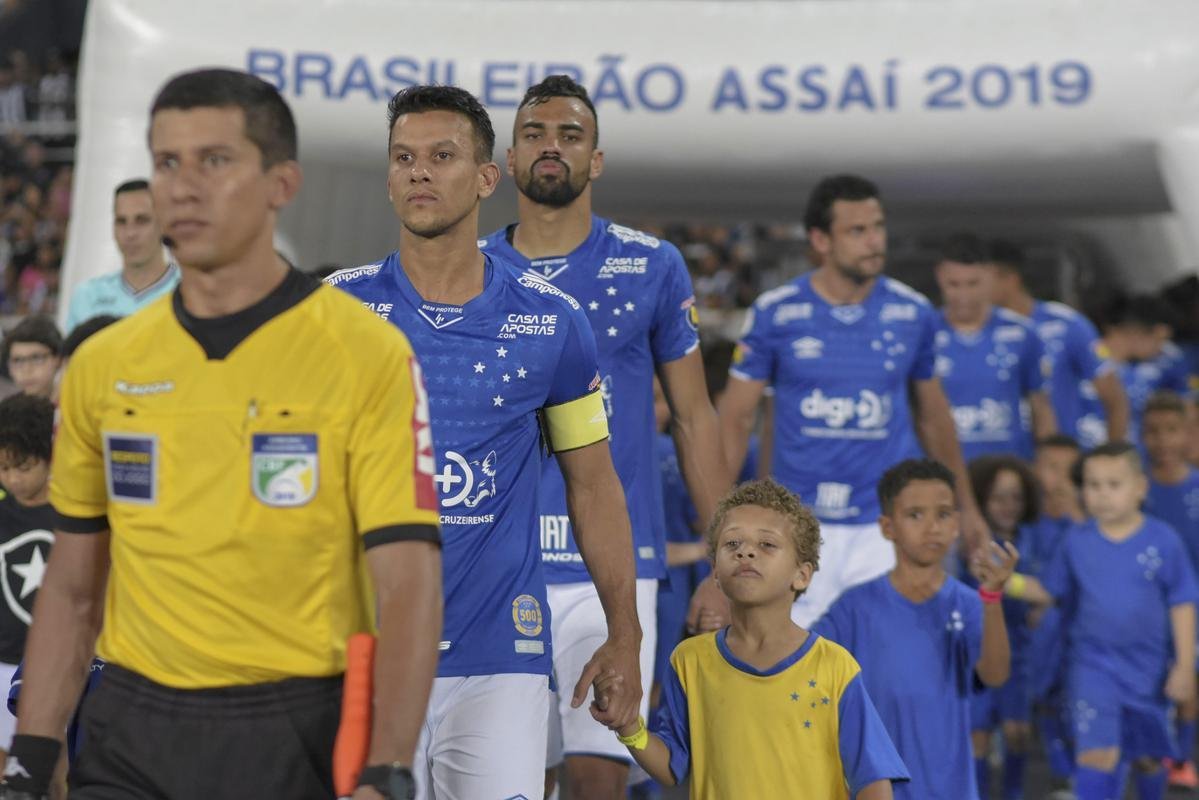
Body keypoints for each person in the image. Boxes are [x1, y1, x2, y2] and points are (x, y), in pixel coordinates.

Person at [2, 68, 443, 800]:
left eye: (214, 161)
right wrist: (30, 757)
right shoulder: (104, 366)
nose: (183, 187)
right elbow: (74, 590)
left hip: (293, 728)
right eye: (167, 163)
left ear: (281, 183)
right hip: (128, 728)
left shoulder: (364, 353)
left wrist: (388, 768)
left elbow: (407, 581)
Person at [328, 83, 642, 800]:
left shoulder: (554, 321)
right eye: (403, 158)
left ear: (486, 177)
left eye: (442, 156)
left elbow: (595, 486)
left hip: (500, 655)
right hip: (359, 651)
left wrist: (624, 633)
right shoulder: (334, 311)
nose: (419, 172)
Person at [478, 75, 726, 799]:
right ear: (508, 160)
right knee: (511, 779)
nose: (551, 147)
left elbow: (693, 417)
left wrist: (721, 559)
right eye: (534, 135)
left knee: (597, 776)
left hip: (612, 568)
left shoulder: (652, 264)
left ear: (597, 159)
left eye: (570, 135)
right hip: (497, 565)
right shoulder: (470, 268)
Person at [720, 174, 987, 628]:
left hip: (882, 525)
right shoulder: (776, 312)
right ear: (821, 240)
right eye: (858, 230)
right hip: (796, 523)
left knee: (883, 659)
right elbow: (735, 419)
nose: (874, 241)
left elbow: (935, 419)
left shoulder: (913, 312)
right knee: (792, 663)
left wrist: (969, 508)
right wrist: (720, 519)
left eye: (878, 227)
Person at [608, 478, 908, 798]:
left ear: (802, 574)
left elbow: (873, 779)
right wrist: (629, 727)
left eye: (766, 544)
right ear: (715, 572)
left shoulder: (835, 666)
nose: (746, 552)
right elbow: (672, 766)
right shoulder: (689, 660)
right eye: (732, 544)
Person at [813, 458, 1017, 800]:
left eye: (944, 514)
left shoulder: (969, 604)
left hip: (949, 790)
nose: (932, 527)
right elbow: (807, 671)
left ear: (957, 523)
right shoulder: (854, 607)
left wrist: (993, 598)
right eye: (915, 515)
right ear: (887, 526)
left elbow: (995, 675)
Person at [1008, 443, 1199, 800]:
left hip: (1149, 671)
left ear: (1140, 487)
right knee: (1097, 754)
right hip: (1092, 665)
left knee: (1147, 758)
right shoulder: (1075, 541)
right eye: (1093, 485)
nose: (1102, 494)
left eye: (1114, 484)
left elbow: (1183, 602)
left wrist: (1185, 666)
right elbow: (1049, 590)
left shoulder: (1164, 540)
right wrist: (1008, 581)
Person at [989, 239, 1129, 448]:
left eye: (979, 281)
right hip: (1000, 456)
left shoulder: (1066, 324)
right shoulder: (977, 332)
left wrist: (1113, 455)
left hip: (1062, 452)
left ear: (1010, 279)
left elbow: (1114, 397)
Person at [932, 233, 1056, 461]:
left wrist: (1048, 463)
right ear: (939, 277)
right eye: (954, 285)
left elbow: (1041, 407)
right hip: (944, 469)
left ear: (988, 276)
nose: (963, 295)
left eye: (973, 284)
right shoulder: (924, 333)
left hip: (1009, 467)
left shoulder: (1022, 333)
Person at [964, 455, 1040, 800]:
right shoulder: (972, 543)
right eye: (998, 497)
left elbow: (1049, 590)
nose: (1009, 506)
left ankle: (1013, 793)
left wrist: (1008, 582)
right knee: (977, 736)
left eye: (1016, 497)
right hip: (975, 652)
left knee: (1017, 733)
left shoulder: (1034, 539)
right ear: (981, 499)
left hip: (1020, 652)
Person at [1142, 391, 1199, 787]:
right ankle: (1154, 756)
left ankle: (1180, 759)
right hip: (1145, 608)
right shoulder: (1136, 489)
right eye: (1153, 431)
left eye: (1171, 430)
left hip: (1191, 608)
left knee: (1189, 679)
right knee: (1151, 685)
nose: (1163, 440)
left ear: (1187, 432)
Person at [0, 394, 55, 762]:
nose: (13, 479)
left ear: (50, 458)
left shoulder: (74, 515)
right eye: (3, 468)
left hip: (56, 667)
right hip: (3, 662)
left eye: (24, 467)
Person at [64, 179, 180, 333]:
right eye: (121, 222)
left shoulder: (188, 291)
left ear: (163, 223)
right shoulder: (87, 296)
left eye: (142, 221)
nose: (130, 233)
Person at [1101, 294, 1193, 443]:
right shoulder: (1095, 367)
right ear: (1136, 333)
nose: (1160, 348)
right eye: (1159, 340)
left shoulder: (1132, 370)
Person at [0, 317, 61, 400]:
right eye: (17, 361)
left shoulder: (73, 403)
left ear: (58, 360)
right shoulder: (5, 405)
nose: (26, 370)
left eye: (37, 358)